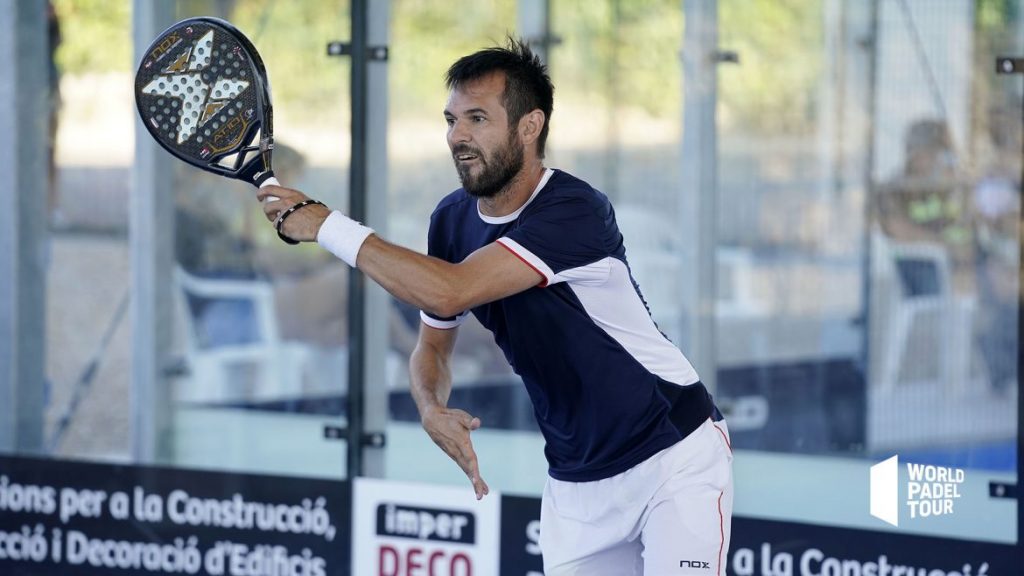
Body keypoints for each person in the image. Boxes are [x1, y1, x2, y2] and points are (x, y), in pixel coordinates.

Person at [256, 38, 733, 575]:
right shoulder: (451, 221)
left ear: (530, 127)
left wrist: (328, 226)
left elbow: (450, 290)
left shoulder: (575, 211)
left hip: (673, 455)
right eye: (451, 119)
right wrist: (430, 405)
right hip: (576, 482)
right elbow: (433, 344)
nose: (457, 136)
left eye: (477, 118)